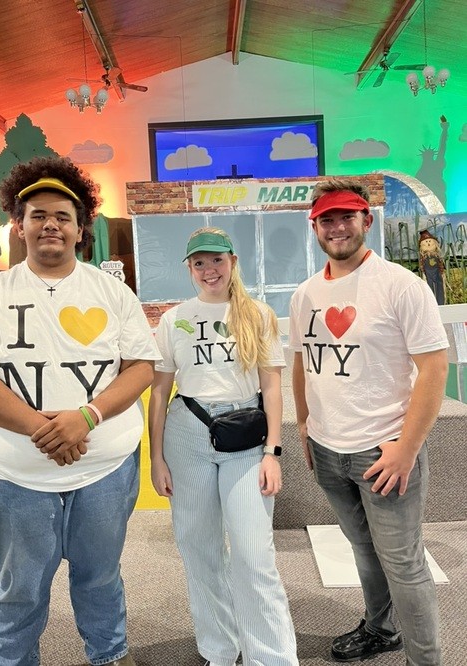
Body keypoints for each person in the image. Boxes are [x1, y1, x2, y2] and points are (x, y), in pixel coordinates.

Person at [0, 155, 161, 666]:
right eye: (38, 215)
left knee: (100, 576)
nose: (50, 224)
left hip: (103, 472)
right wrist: (45, 428)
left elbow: (141, 367)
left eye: (62, 216)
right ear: (19, 226)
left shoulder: (112, 292)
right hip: (11, 476)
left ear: (80, 229)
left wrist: (86, 418)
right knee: (20, 586)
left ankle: (109, 656)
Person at [289, 178, 449, 665]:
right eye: (327, 219)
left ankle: (426, 660)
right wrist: (304, 426)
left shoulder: (401, 286)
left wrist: (406, 448)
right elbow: (301, 361)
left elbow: (434, 368)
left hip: (383, 451)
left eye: (347, 217)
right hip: (328, 451)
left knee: (404, 564)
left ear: (366, 220)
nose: (337, 227)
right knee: (363, 550)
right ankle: (381, 629)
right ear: (314, 227)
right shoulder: (306, 294)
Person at [148, 227, 298, 666]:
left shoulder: (257, 314)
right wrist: (155, 457)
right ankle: (219, 648)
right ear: (189, 269)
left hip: (245, 436)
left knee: (253, 555)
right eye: (199, 262)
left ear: (232, 261)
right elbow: (160, 391)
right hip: (187, 433)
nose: (208, 269)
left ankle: (272, 658)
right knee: (199, 548)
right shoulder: (174, 318)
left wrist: (273, 452)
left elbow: (272, 387)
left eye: (216, 260)